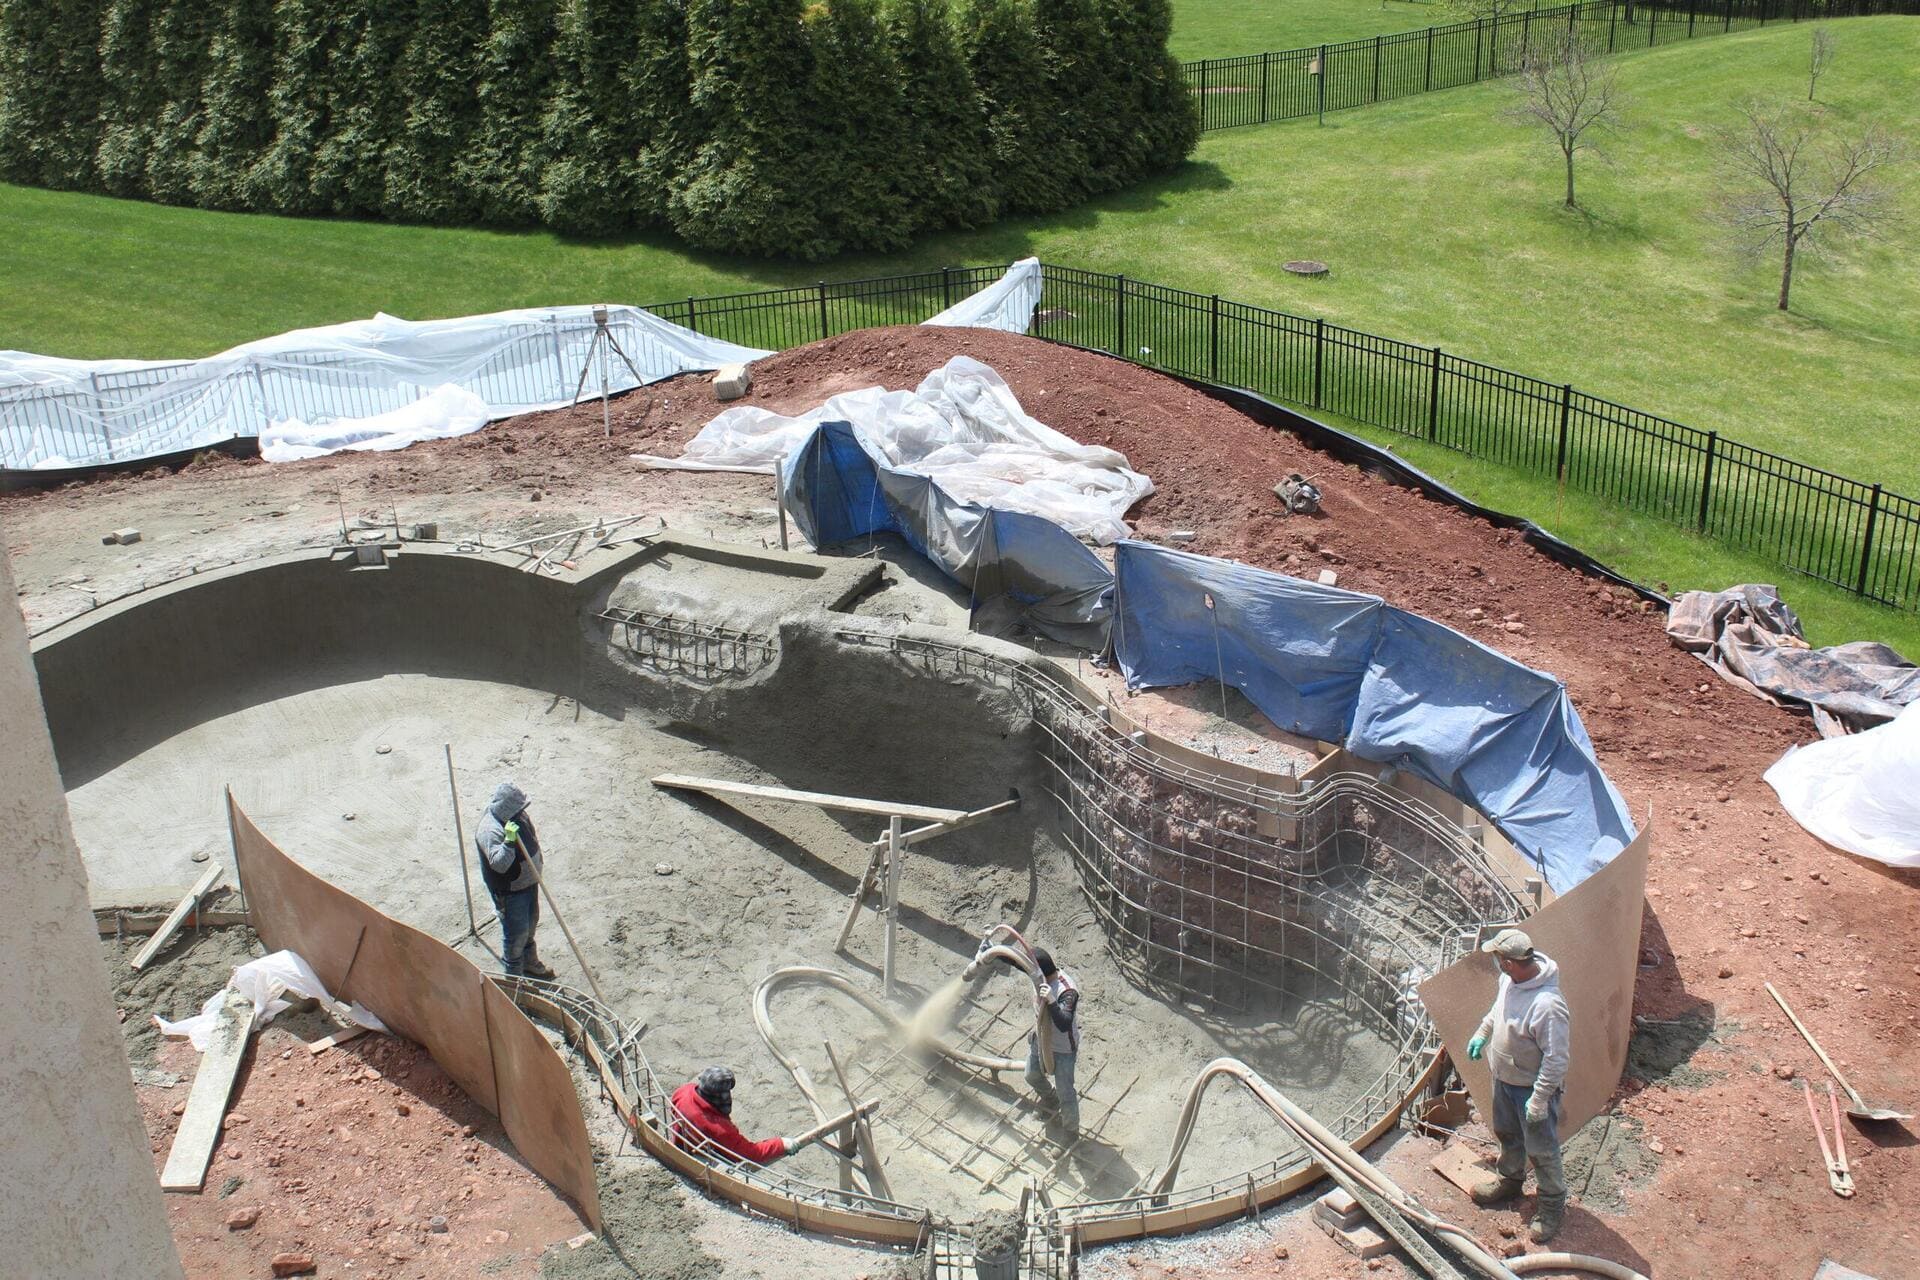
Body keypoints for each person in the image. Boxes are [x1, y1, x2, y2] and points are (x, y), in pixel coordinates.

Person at [1467, 927, 1571, 1244]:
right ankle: (1510, 1180)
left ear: (1510, 962)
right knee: (1508, 1134)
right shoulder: (1508, 981)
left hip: (1530, 1089)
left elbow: (1556, 1059)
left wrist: (1539, 1100)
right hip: (1505, 1080)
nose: (1496, 963)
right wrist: (1482, 1033)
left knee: (1541, 1150)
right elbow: (1497, 1012)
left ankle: (1552, 1205)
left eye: (1498, 958)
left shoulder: (1547, 1005)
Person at [474, 781, 555, 980]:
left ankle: (529, 962)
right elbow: (499, 864)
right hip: (511, 893)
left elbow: (532, 839)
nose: (523, 811)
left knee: (530, 925)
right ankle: (515, 982)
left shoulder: (517, 815)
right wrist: (509, 841)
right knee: (516, 936)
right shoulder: (489, 830)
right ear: (506, 808)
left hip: (529, 884)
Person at [671, 1067, 789, 1166]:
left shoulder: (683, 1092)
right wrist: (781, 1144)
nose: (727, 1097)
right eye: (723, 1094)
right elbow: (751, 1154)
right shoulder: (717, 1128)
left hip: (682, 1142)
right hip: (703, 1158)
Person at [1023, 948, 1082, 1135]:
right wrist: (990, 951)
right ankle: (1049, 1098)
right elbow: (1015, 961)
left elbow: (1064, 1023)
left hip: (1063, 1050)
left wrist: (1051, 1001)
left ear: (1040, 971)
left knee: (1066, 1093)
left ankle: (1071, 1133)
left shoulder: (1067, 991)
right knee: (1031, 1074)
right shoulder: (1039, 979)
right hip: (1041, 1038)